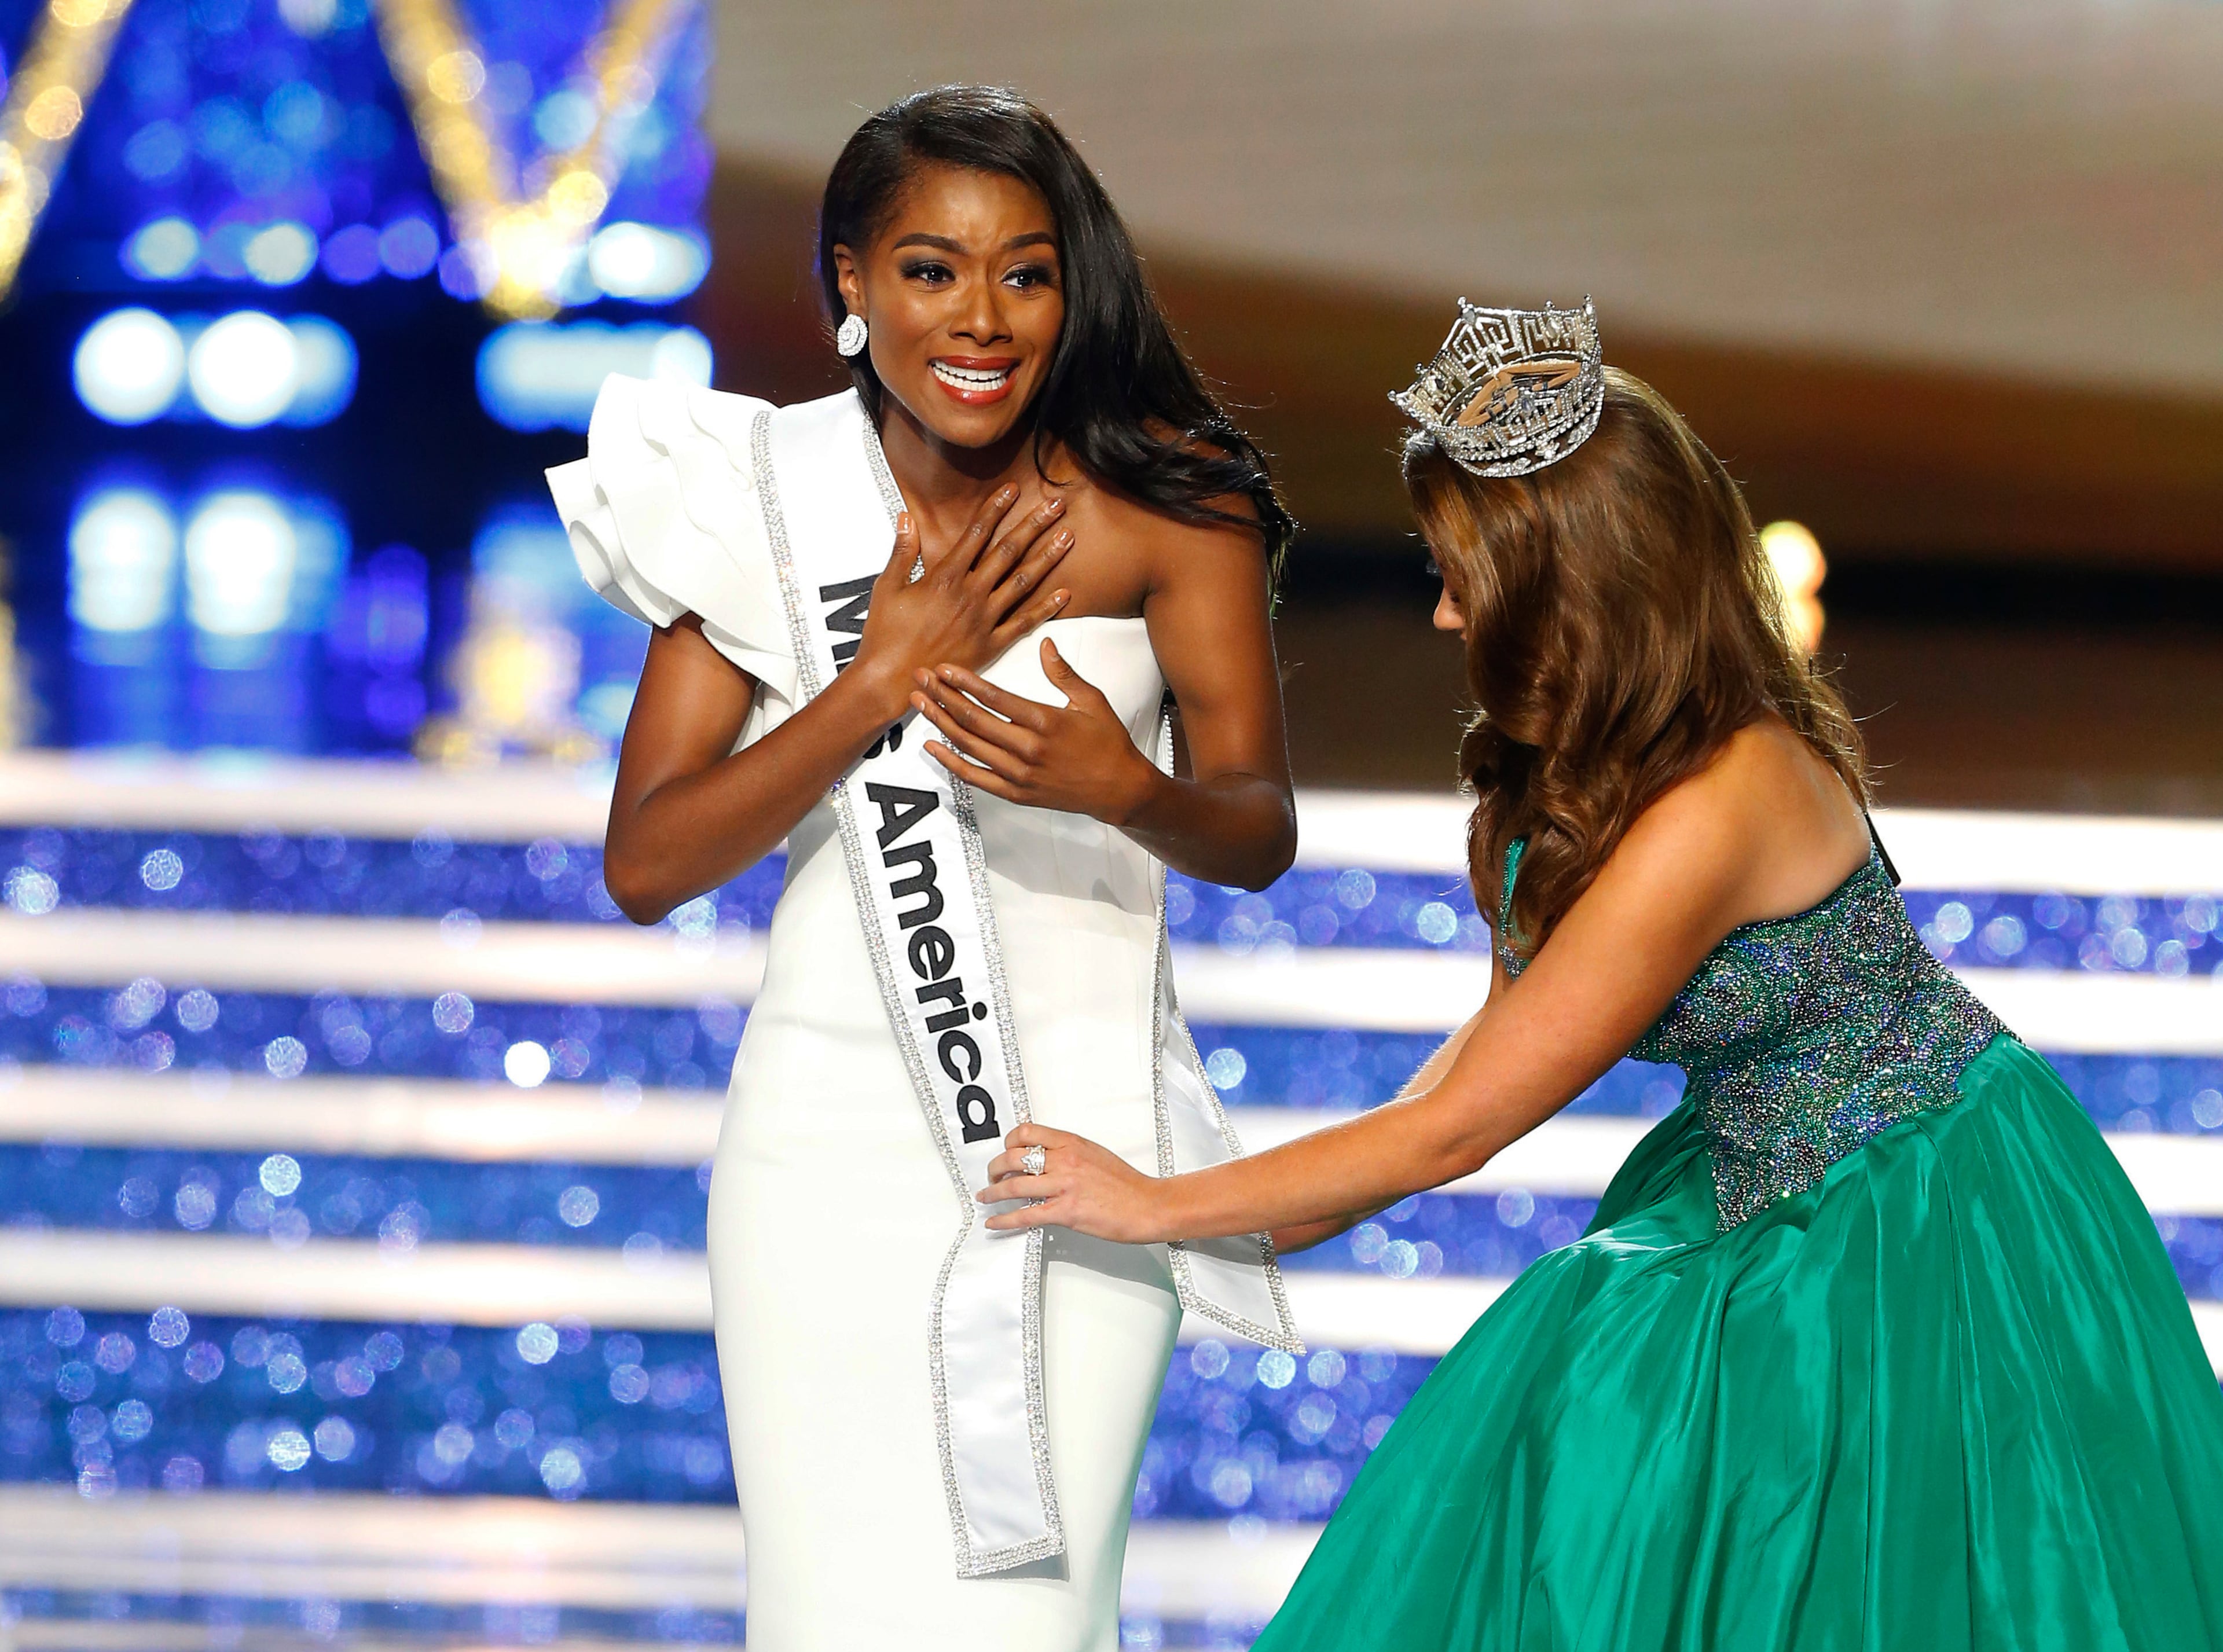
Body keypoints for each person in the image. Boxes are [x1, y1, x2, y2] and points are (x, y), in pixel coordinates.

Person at [967, 299, 2223, 1648]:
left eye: (1467, 576)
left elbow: (1456, 1128)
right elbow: (1472, 1060)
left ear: (1572, 585)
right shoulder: (1602, 759)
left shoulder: (1716, 806)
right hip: (1764, 1195)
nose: (1443, 611)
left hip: (1921, 1217)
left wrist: (1158, 1204)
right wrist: (1235, 1218)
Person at [546, 85, 1301, 1652]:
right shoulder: (756, 492)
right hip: (818, 1153)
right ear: (849, 281)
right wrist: (870, 687)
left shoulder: (1174, 500)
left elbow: (1254, 824)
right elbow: (648, 860)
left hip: (1078, 1152)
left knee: (1034, 1613)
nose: (983, 317)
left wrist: (1121, 785)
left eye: (1025, 272)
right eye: (930, 269)